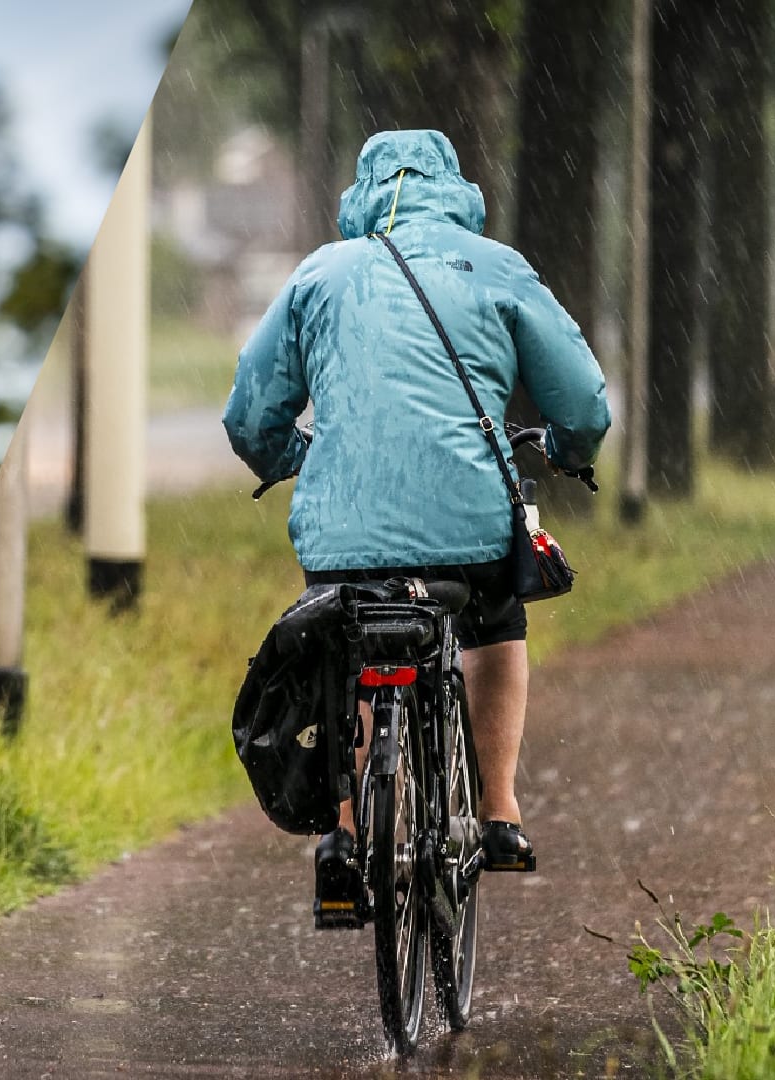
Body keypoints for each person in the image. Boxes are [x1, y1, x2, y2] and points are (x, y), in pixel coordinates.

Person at [222, 129, 610, 900]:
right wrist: (567, 450)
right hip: (468, 531)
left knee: (344, 639)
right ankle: (498, 813)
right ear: (458, 191)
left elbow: (249, 417)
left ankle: (344, 835)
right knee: (495, 621)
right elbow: (584, 402)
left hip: (344, 536)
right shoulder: (498, 267)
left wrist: (291, 458)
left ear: (361, 197)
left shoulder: (320, 274)